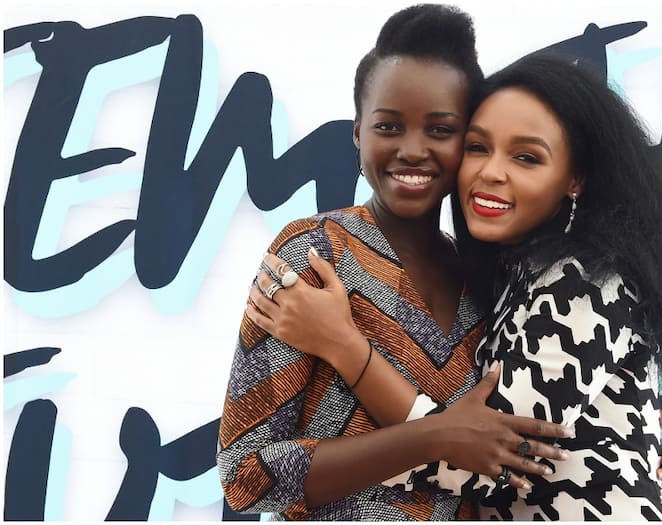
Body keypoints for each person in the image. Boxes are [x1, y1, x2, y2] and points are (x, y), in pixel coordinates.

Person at [250, 53, 662, 520]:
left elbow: (492, 464)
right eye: (478, 147)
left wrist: (344, 351)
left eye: (526, 157)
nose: (491, 172)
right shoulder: (505, 278)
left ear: (575, 179)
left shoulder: (585, 282)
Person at [217, 5, 573, 521]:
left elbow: (516, 449)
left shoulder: (486, 280)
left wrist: (629, 455)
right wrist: (431, 436)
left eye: (440, 130)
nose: (412, 150)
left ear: (469, 142)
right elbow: (244, 477)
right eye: (389, 126)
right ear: (358, 132)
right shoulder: (313, 257)